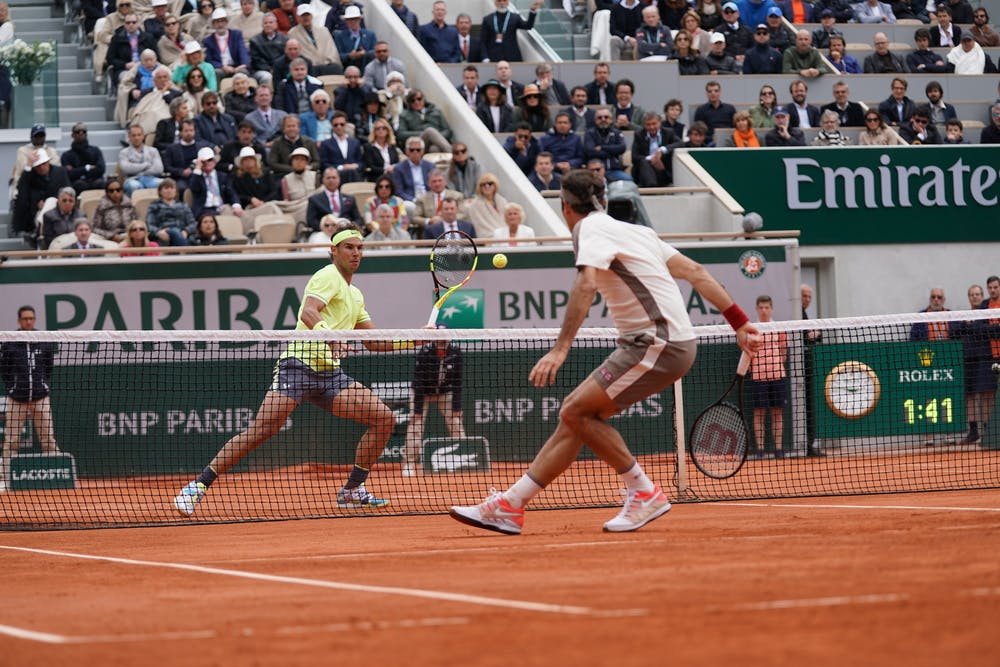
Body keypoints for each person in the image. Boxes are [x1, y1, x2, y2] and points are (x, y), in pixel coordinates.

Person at [448, 169, 759, 535]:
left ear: (566, 207)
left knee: (575, 410)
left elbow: (587, 284)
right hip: (667, 343)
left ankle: (644, 491)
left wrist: (560, 349)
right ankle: (510, 505)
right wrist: (739, 322)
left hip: (657, 343)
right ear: (604, 200)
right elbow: (696, 272)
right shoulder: (638, 231)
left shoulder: (588, 229)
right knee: (577, 417)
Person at [173, 221, 407, 515]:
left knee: (383, 419)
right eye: (349, 247)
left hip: (330, 376)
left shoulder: (355, 295)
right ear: (333, 251)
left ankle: (352, 490)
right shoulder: (327, 276)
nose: (356, 253)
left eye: (360, 248)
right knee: (261, 431)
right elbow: (309, 310)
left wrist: (416, 339)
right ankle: (198, 485)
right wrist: (328, 336)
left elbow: (374, 342)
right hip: (298, 366)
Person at [0, 306, 60, 493]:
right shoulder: (9, 342)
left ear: (34, 320)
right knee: (11, 441)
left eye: (31, 318)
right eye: (25, 318)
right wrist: (13, 387)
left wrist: (41, 384)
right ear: (19, 320)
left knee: (48, 438)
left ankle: (56, 471)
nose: (28, 321)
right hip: (16, 399)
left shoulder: (43, 341)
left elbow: (48, 367)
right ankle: (5, 474)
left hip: (40, 398)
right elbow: (4, 369)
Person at [403, 330, 466, 476]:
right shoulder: (424, 353)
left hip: (445, 392)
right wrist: (417, 411)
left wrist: (457, 408)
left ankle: (463, 457)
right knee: (415, 425)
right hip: (423, 392)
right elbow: (418, 381)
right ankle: (409, 463)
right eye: (438, 342)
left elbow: (457, 382)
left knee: (456, 422)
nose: (441, 345)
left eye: (444, 342)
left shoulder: (456, 353)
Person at [951, 285, 995, 445]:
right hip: (968, 359)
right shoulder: (963, 315)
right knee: (969, 397)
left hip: (984, 359)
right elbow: (953, 332)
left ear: (982, 296)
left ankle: (988, 431)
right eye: (972, 294)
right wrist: (966, 325)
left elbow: (988, 330)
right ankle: (973, 432)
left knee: (986, 396)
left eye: (978, 294)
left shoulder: (986, 315)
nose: (975, 297)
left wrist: (972, 326)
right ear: (969, 297)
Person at [749, 295, 787, 459]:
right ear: (757, 309)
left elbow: (784, 351)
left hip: (777, 374)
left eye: (767, 307)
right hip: (758, 376)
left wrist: (775, 365)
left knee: (777, 413)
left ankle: (778, 449)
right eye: (761, 307)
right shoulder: (751, 329)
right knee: (759, 413)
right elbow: (748, 352)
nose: (764, 310)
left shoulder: (779, 328)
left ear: (771, 309)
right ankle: (760, 450)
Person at [306, 167, 362, 234]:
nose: (331, 180)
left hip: (346, 233)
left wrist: (350, 228)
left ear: (339, 179)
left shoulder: (350, 199)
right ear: (323, 180)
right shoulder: (314, 199)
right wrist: (327, 228)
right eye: (328, 178)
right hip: (323, 233)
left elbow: (358, 219)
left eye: (334, 177)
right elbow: (311, 220)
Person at [631, 112, 677, 187]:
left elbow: (680, 143)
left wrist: (662, 150)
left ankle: (651, 188)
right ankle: (652, 187)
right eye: (648, 125)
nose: (651, 127)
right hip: (643, 171)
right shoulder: (639, 135)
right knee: (644, 162)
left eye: (654, 124)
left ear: (660, 123)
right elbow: (634, 158)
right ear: (644, 125)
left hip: (662, 170)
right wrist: (652, 159)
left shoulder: (668, 132)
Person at [119, 124, 164, 196]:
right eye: (133, 135)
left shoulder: (153, 151)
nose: (136, 138)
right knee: (134, 186)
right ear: (129, 137)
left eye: (139, 135)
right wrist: (146, 165)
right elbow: (126, 169)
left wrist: (138, 171)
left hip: (150, 178)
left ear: (143, 136)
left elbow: (159, 169)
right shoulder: (124, 152)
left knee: (163, 184)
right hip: (132, 179)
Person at [61, 124, 106, 195]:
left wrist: (78, 171)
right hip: (77, 184)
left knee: (100, 183)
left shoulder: (95, 150)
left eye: (84, 131)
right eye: (77, 132)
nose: (81, 133)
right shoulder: (66, 155)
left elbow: (101, 169)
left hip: (95, 181)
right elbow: (69, 174)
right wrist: (87, 168)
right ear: (72, 135)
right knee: (80, 184)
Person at [92, 179, 137, 244]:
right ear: (107, 193)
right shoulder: (102, 207)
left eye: (118, 190)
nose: (115, 193)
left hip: (128, 237)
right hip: (109, 239)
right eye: (111, 191)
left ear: (122, 191)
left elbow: (136, 223)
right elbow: (95, 228)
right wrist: (111, 236)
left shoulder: (129, 205)